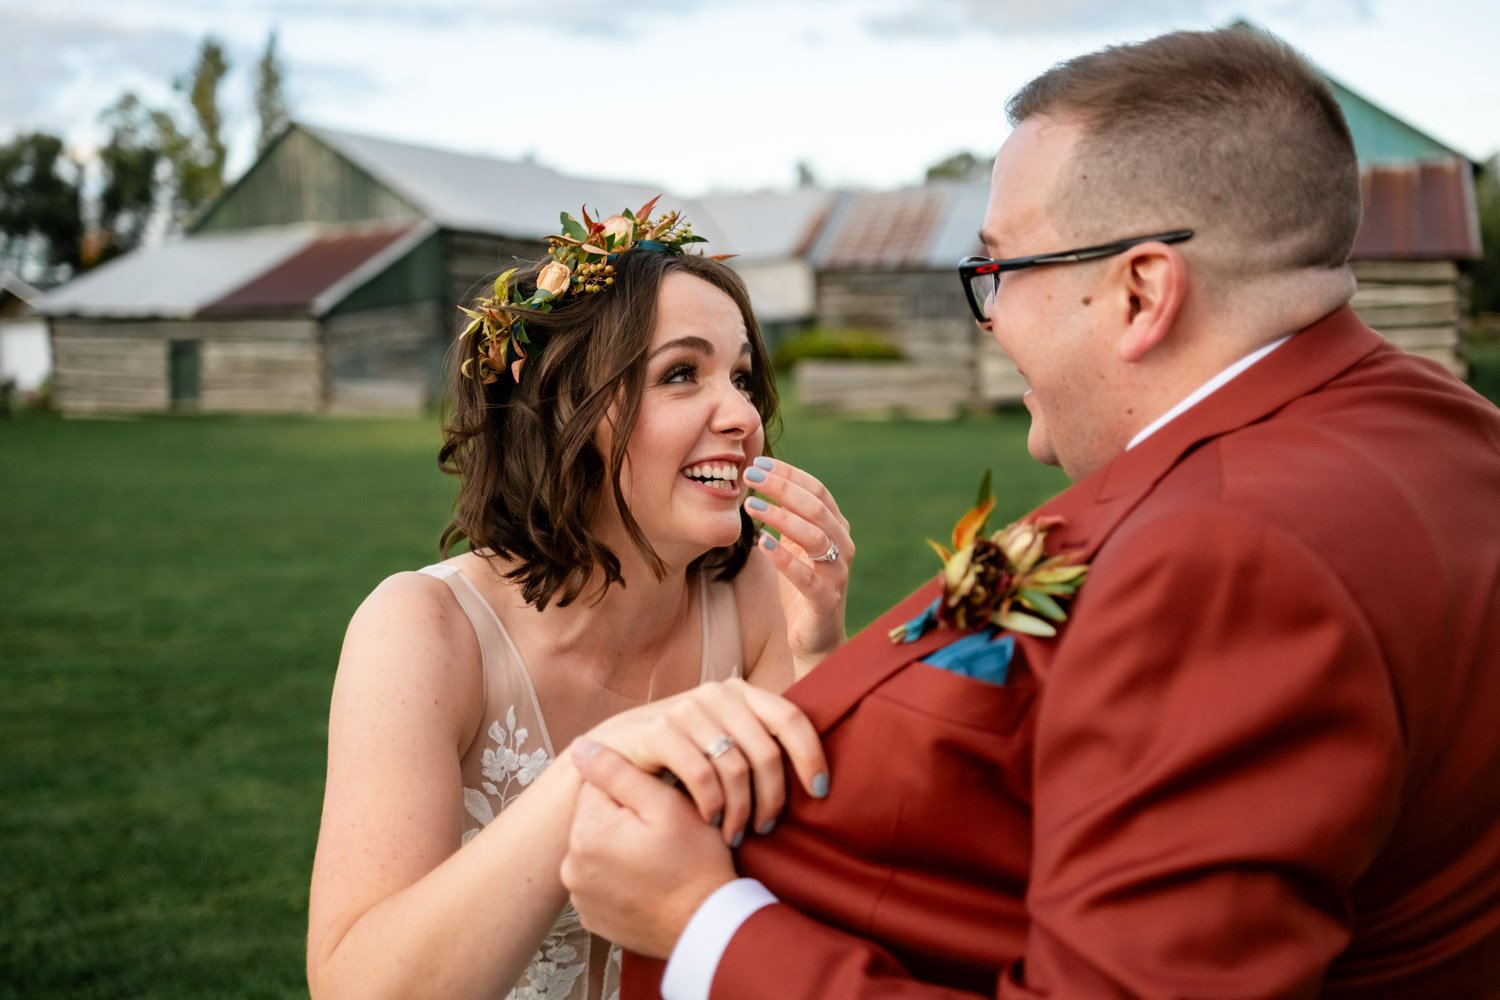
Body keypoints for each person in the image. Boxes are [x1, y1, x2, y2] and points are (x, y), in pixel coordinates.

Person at [560, 26, 1500, 1000]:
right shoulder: (1453, 433)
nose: (993, 314)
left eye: (1002, 269)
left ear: (1141, 290)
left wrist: (704, 927)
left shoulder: (1225, 554)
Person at [306, 201, 855, 1000]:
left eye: (741, 377)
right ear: (566, 409)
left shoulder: (761, 596)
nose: (742, 417)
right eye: (681, 373)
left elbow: (824, 903)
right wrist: (598, 769)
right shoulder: (422, 633)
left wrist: (821, 656)